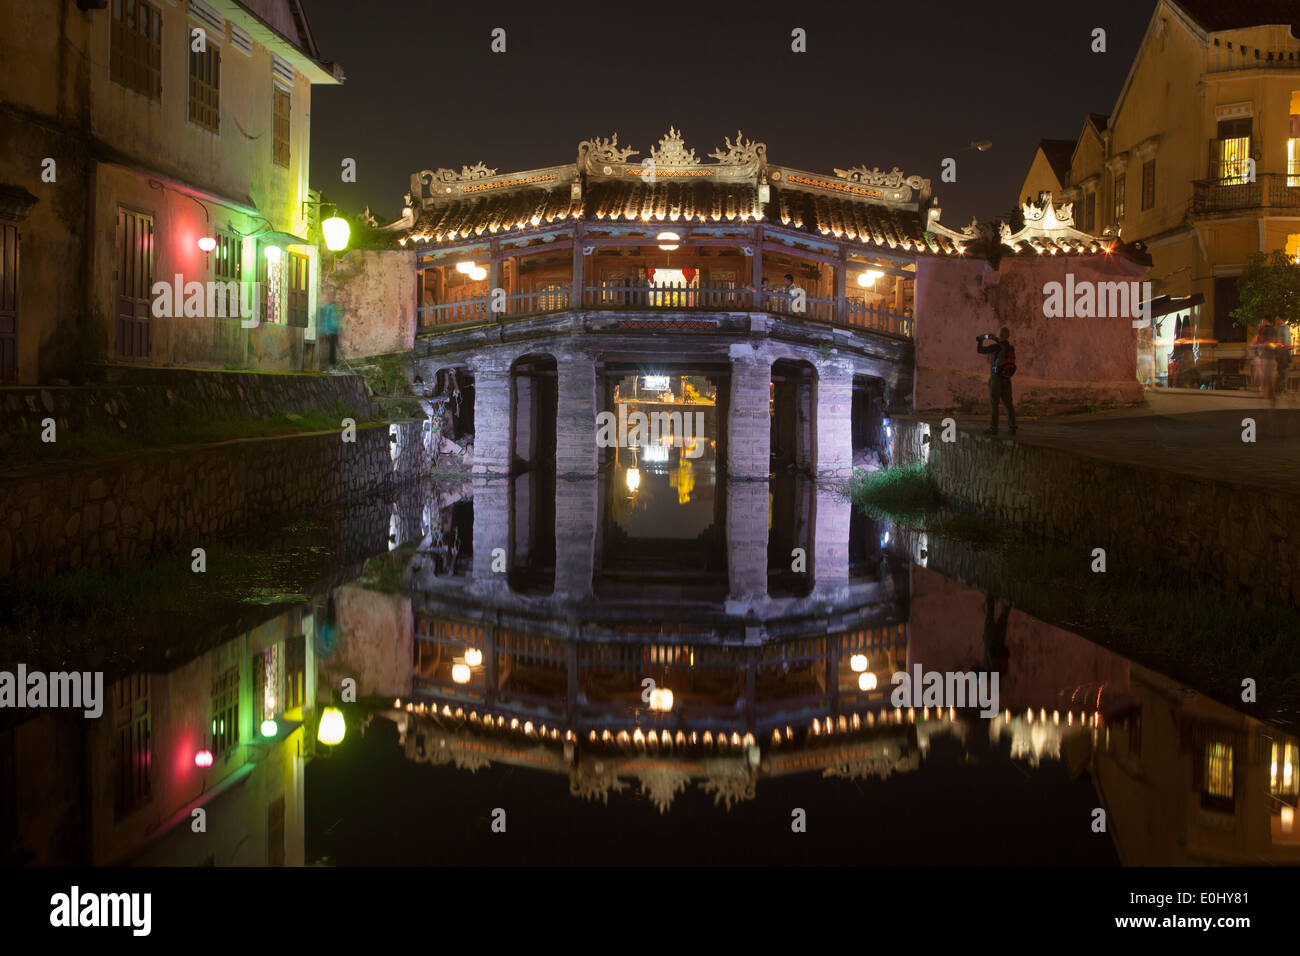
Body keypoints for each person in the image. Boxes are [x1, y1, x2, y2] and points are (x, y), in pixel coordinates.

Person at [977, 326, 1016, 435]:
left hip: (996, 379)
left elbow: (980, 350)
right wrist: (995, 338)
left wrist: (980, 340)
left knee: (994, 403)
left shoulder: (996, 347)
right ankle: (1012, 427)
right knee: (1008, 404)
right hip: (1007, 378)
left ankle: (993, 428)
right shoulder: (1010, 347)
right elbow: (1003, 344)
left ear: (1000, 335)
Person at [318, 302, 341, 369]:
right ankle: (331, 364)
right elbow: (327, 320)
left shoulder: (334, 309)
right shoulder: (330, 309)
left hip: (334, 331)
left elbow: (336, 321)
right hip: (331, 332)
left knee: (333, 348)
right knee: (332, 348)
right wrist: (327, 331)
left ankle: (332, 363)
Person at [1275, 315, 1292, 396]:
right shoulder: (1283, 327)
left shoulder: (1284, 327)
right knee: (1281, 370)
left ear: (1280, 319)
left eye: (1277, 319)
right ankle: (1282, 388)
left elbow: (1285, 340)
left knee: (1283, 370)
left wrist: (1279, 345)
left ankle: (1284, 389)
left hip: (1283, 352)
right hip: (1283, 352)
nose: (1276, 320)